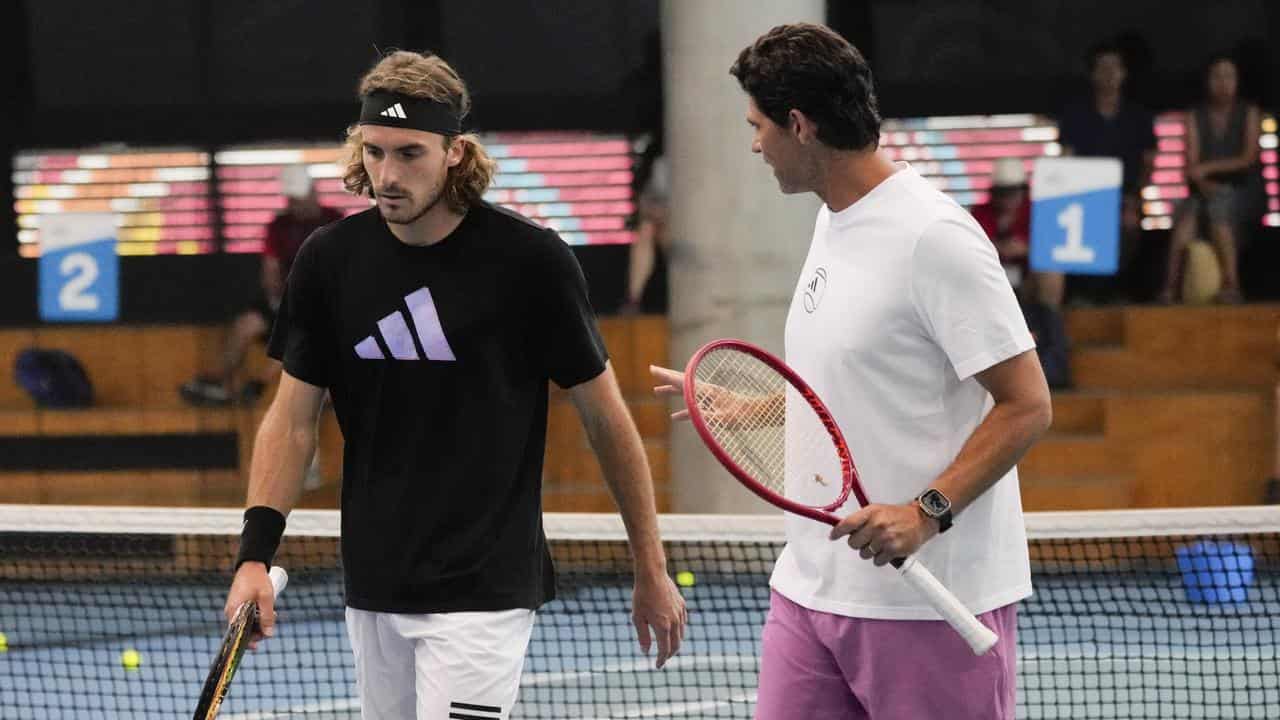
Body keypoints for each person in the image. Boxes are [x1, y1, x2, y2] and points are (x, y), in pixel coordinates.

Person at [223, 51, 685, 719]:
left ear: (456, 153)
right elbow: (291, 420)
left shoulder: (531, 262)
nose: (387, 174)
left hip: (485, 591)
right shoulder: (328, 262)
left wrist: (650, 564)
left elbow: (605, 418)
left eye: (410, 153)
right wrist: (253, 558)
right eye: (374, 151)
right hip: (374, 586)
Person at [651, 24, 1051, 718]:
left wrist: (925, 514)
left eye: (758, 126)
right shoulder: (833, 218)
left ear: (799, 126)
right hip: (808, 591)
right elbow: (855, 372)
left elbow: (1027, 404)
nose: (753, 145)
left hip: (927, 599)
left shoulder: (937, 238)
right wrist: (763, 408)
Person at [180, 165, 342, 406]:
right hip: (285, 300)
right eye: (293, 199)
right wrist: (277, 299)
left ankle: (261, 384)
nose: (298, 204)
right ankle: (217, 383)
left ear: (313, 192)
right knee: (246, 324)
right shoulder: (279, 226)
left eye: (301, 197)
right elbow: (271, 270)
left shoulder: (335, 222)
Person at [1158, 55, 1261, 304]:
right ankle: (1169, 288)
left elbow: (1248, 158)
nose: (1223, 82)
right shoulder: (1195, 115)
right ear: (1207, 81)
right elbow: (1191, 165)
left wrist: (1207, 169)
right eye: (1217, 76)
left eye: (1229, 76)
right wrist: (1203, 182)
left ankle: (1231, 284)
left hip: (1243, 190)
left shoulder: (1249, 112)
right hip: (1202, 190)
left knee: (1219, 206)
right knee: (1186, 219)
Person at [1058, 42, 1157, 195]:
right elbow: (1066, 157)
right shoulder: (1074, 114)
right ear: (1093, 74)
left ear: (1123, 72)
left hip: (1127, 196)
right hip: (1085, 193)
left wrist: (1136, 196)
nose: (1109, 73)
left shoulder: (1139, 115)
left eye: (1114, 67)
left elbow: (1148, 161)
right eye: (1103, 67)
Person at [970, 157, 1065, 309]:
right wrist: (996, 248)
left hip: (1028, 278)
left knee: (1050, 274)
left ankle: (1049, 326)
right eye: (1002, 192)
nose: (1007, 198)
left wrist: (1026, 249)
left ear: (1023, 190)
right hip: (989, 279)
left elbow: (1052, 248)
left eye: (1013, 191)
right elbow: (969, 248)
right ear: (993, 193)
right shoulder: (980, 213)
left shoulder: (1037, 212)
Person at [621, 153, 671, 314]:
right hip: (664, 224)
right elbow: (647, 205)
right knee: (646, 230)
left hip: (694, 230)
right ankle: (633, 300)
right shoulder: (661, 164)